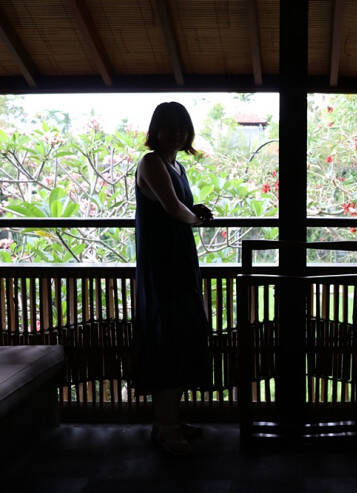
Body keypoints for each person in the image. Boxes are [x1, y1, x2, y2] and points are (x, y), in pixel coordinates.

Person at [133, 102, 213, 456]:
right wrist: (195, 219)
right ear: (156, 130)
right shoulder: (151, 162)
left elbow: (179, 208)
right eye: (169, 127)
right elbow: (170, 207)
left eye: (182, 126)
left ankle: (169, 421)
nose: (177, 133)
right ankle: (167, 428)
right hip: (162, 265)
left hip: (179, 261)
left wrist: (194, 212)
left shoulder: (176, 165)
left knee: (181, 337)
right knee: (166, 339)